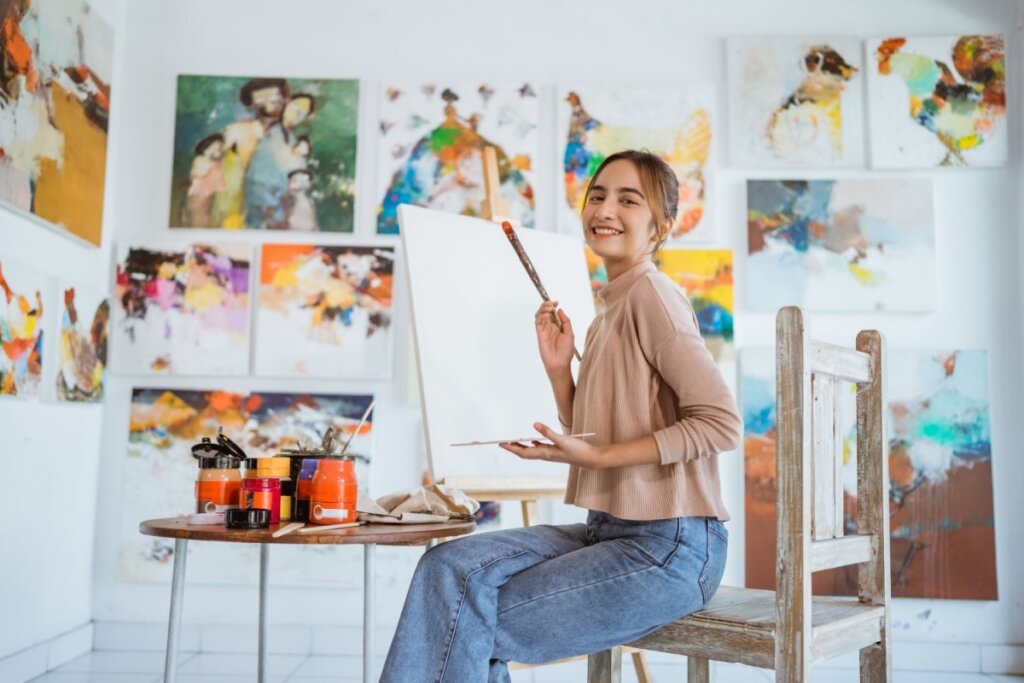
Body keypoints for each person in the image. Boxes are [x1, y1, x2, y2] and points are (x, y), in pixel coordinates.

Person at [380, 150, 742, 683]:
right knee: (446, 568)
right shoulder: (609, 311)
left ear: (661, 227)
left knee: (459, 621)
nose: (605, 209)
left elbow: (720, 422)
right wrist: (558, 371)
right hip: (609, 532)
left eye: (628, 200)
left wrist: (599, 456)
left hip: (671, 547)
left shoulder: (653, 296)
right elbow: (594, 434)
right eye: (598, 195)